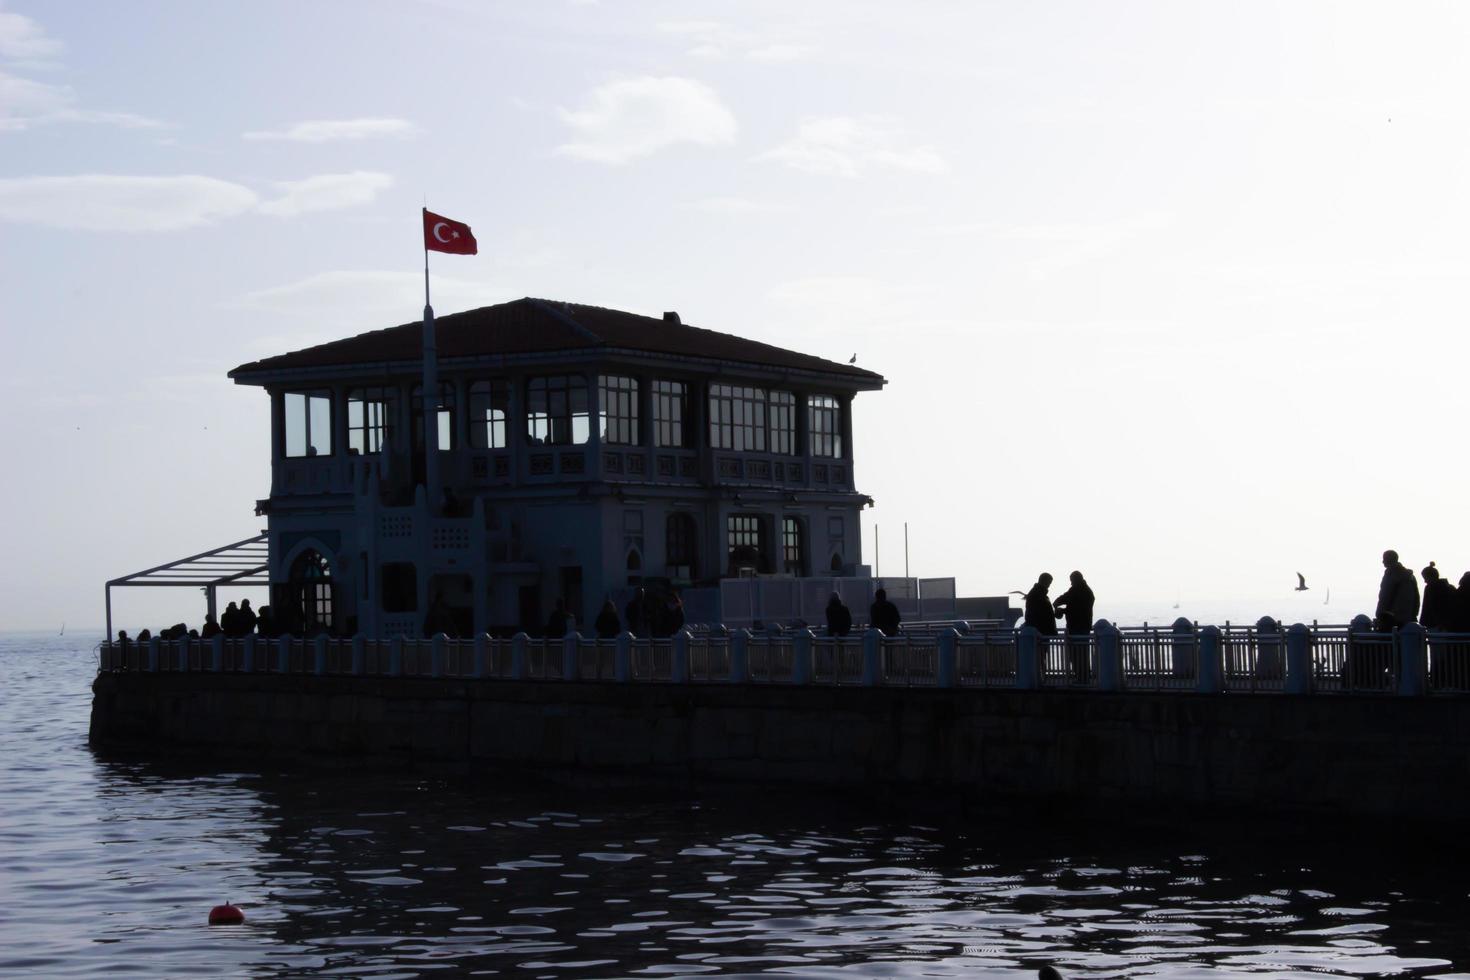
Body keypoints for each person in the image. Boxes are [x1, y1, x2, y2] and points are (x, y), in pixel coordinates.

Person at [1052, 570, 1095, 683]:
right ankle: (1082, 677)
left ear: (1076, 580)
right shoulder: (1077, 589)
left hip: (1080, 627)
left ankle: (1083, 678)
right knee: (1078, 655)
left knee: (1080, 655)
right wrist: (1057, 603)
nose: (1071, 583)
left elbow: (1078, 609)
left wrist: (1063, 609)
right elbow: (1065, 597)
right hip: (1077, 627)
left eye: (1072, 581)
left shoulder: (1084, 592)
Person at [1375, 550, 1420, 630]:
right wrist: (1413, 615)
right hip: (1408, 619)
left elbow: (1385, 597)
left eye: (1384, 559)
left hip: (1390, 620)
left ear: (1390, 559)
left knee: (1389, 641)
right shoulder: (1410, 576)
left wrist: (1379, 615)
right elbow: (1417, 598)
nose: (1383, 561)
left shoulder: (1391, 575)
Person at [1420, 563, 1456, 631]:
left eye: (1425, 578)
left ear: (1431, 577)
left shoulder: (1430, 589)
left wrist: (1422, 623)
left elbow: (1427, 607)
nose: (1425, 581)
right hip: (1447, 625)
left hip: (1434, 625)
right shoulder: (1450, 588)